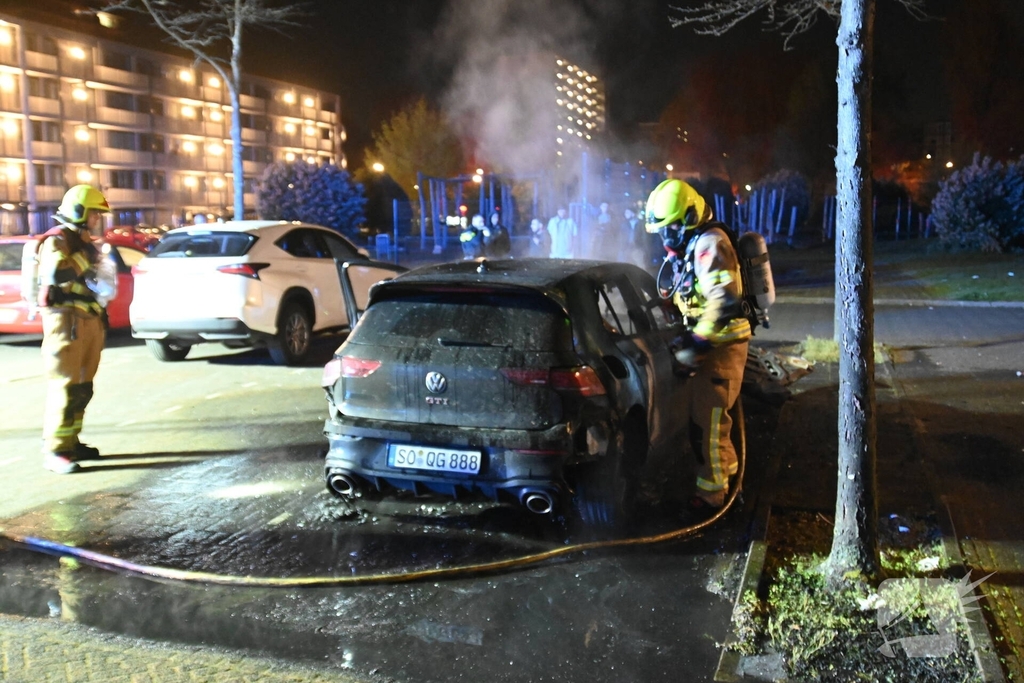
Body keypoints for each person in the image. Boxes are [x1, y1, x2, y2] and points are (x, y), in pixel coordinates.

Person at [644, 179, 751, 516]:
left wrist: (697, 342)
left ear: (690, 216)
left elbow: (724, 299)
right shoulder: (694, 245)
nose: (667, 238)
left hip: (722, 348)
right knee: (711, 424)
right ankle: (732, 485)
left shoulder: (710, 245)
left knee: (709, 428)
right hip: (713, 345)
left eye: (671, 228)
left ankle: (712, 501)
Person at [37, 185, 113, 474]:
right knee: (65, 387)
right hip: (65, 322)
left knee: (83, 387)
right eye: (94, 213)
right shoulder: (56, 240)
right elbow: (58, 273)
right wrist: (87, 257)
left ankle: (72, 441)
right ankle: (56, 450)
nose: (97, 219)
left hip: (87, 320)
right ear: (80, 211)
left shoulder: (82, 240)